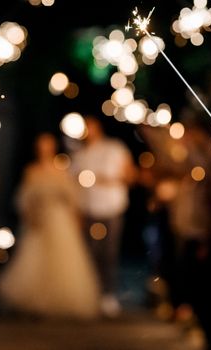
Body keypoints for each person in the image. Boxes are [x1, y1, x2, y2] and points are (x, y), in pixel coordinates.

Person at [0, 133, 100, 319]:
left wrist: (76, 218)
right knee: (35, 258)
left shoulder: (61, 170)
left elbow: (72, 198)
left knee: (62, 260)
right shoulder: (32, 171)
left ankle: (61, 300)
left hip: (59, 220)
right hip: (39, 219)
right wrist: (30, 215)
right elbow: (24, 198)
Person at [71, 115, 136, 317]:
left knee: (109, 253)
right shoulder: (79, 154)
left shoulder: (115, 148)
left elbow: (130, 175)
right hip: (89, 209)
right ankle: (91, 295)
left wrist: (108, 179)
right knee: (91, 254)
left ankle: (108, 295)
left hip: (112, 208)